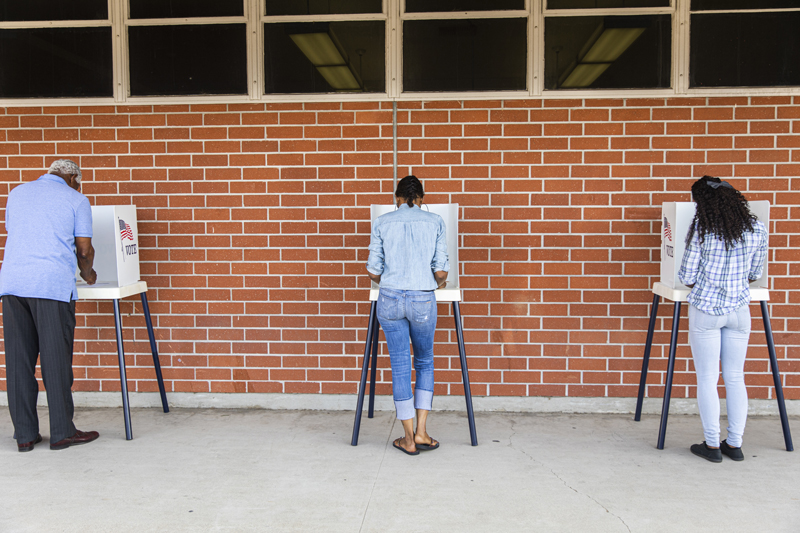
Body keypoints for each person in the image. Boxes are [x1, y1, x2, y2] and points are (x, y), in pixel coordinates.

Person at [1, 159, 100, 452]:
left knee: (19, 362)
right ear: (72, 177)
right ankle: (61, 432)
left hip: (12, 284)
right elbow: (84, 250)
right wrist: (88, 274)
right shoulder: (76, 199)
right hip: (51, 286)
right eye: (78, 182)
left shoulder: (17, 192)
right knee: (55, 360)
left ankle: (25, 436)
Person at [678, 176, 768, 463]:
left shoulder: (702, 229)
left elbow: (687, 276)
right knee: (735, 377)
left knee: (707, 377)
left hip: (706, 309)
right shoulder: (757, 228)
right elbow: (756, 273)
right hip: (740, 310)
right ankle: (735, 444)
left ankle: (713, 445)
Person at [366, 176, 449, 456]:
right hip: (422, 299)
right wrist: (438, 282)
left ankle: (407, 438)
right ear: (421, 199)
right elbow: (440, 271)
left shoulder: (382, 222)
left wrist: (392, 280)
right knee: (424, 361)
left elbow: (373, 270)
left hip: (389, 298)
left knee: (400, 365)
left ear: (397, 198)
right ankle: (422, 432)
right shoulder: (435, 221)